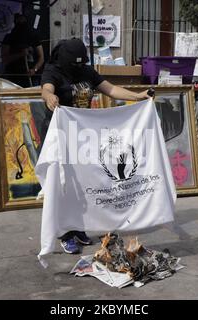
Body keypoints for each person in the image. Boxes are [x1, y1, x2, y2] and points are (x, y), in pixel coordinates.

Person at [41, 38, 151, 254]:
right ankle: (65, 234)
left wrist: (138, 96)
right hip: (59, 136)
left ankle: (79, 228)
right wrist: (49, 97)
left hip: (83, 137)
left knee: (83, 184)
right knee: (63, 186)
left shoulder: (87, 72)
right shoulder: (53, 70)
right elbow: (46, 88)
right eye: (75, 64)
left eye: (82, 64)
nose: (79, 68)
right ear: (65, 61)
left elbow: (110, 89)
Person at [1, 14, 44, 87]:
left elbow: (41, 58)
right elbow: (5, 59)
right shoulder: (9, 37)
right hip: (13, 77)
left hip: (31, 77)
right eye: (19, 22)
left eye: (23, 22)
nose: (21, 25)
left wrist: (34, 70)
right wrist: (21, 54)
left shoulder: (33, 37)